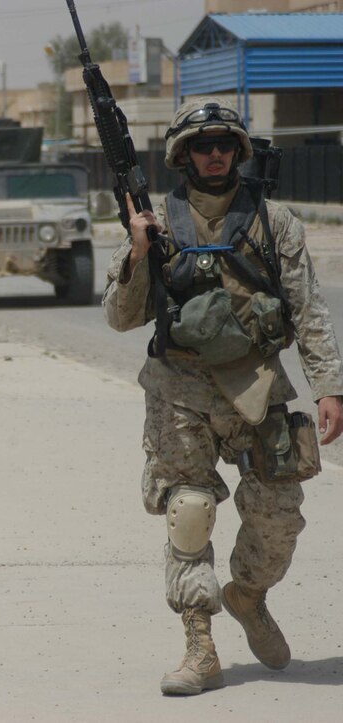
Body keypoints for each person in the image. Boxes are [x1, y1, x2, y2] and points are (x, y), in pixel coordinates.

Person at [103, 98, 343, 696]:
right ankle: (199, 646)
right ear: (183, 155)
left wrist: (328, 386)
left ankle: (248, 595)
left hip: (258, 387)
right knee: (189, 512)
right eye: (203, 145)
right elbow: (119, 317)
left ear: (239, 150)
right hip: (180, 391)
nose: (215, 154)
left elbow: (309, 309)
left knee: (278, 523)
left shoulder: (274, 221)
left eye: (225, 144)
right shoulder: (153, 222)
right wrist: (137, 252)